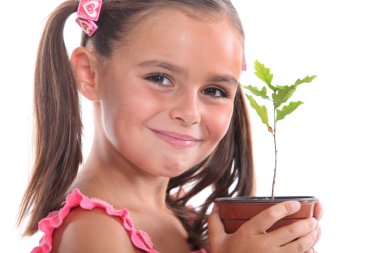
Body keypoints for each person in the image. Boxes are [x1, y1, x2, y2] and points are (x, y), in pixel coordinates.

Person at [18, 0, 323, 252]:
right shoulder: (94, 234)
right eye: (160, 78)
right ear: (90, 74)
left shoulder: (181, 218)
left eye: (214, 90)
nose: (189, 113)